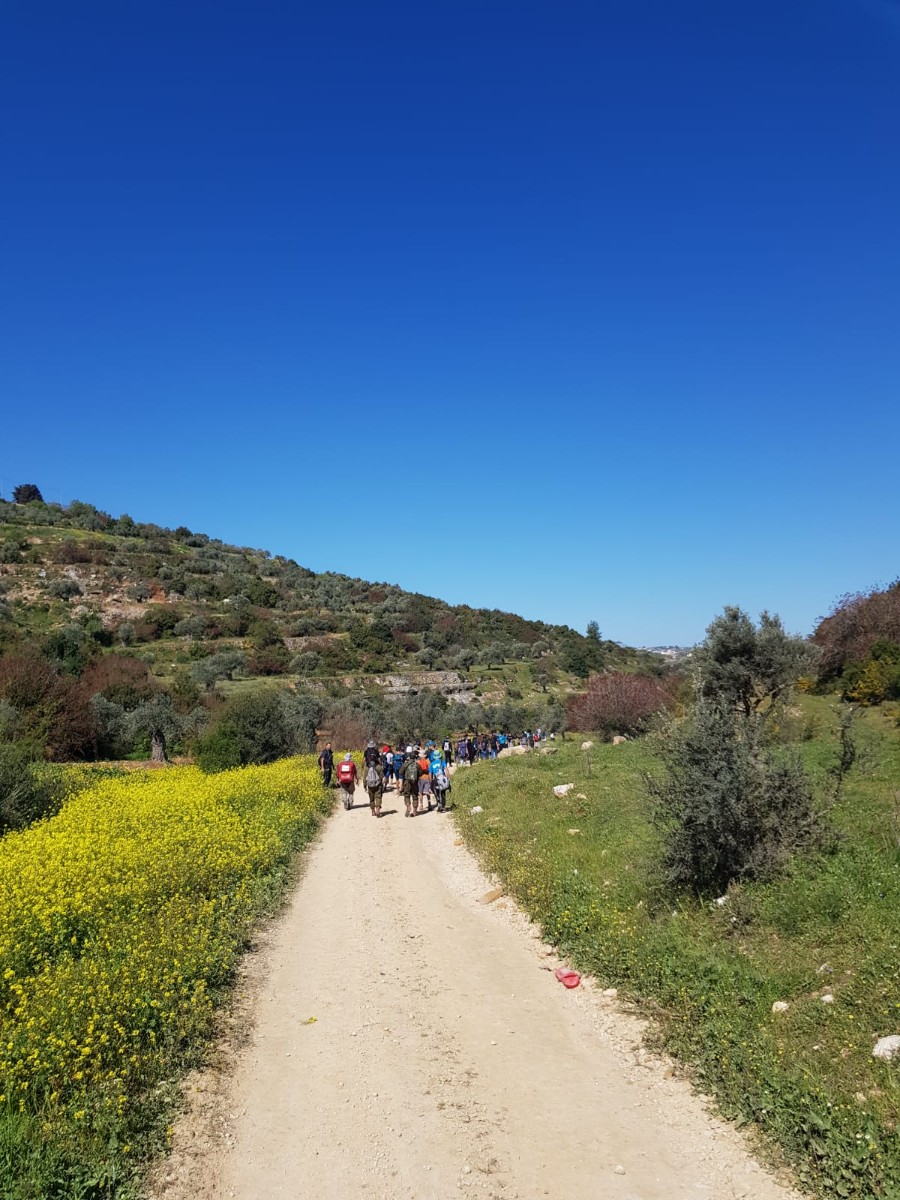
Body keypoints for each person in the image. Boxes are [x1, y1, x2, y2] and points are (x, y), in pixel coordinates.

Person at [362, 740, 384, 817]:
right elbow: (382, 776)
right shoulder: (378, 766)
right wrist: (380, 765)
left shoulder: (367, 768)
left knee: (371, 798)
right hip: (377, 784)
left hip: (370, 785)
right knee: (378, 796)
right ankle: (378, 808)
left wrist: (364, 785)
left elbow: (365, 778)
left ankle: (373, 811)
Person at [401, 748, 420, 817]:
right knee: (415, 796)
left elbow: (400, 772)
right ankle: (415, 811)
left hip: (407, 782)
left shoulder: (405, 764)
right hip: (415, 782)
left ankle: (408, 806)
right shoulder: (417, 765)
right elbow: (420, 773)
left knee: (407, 795)